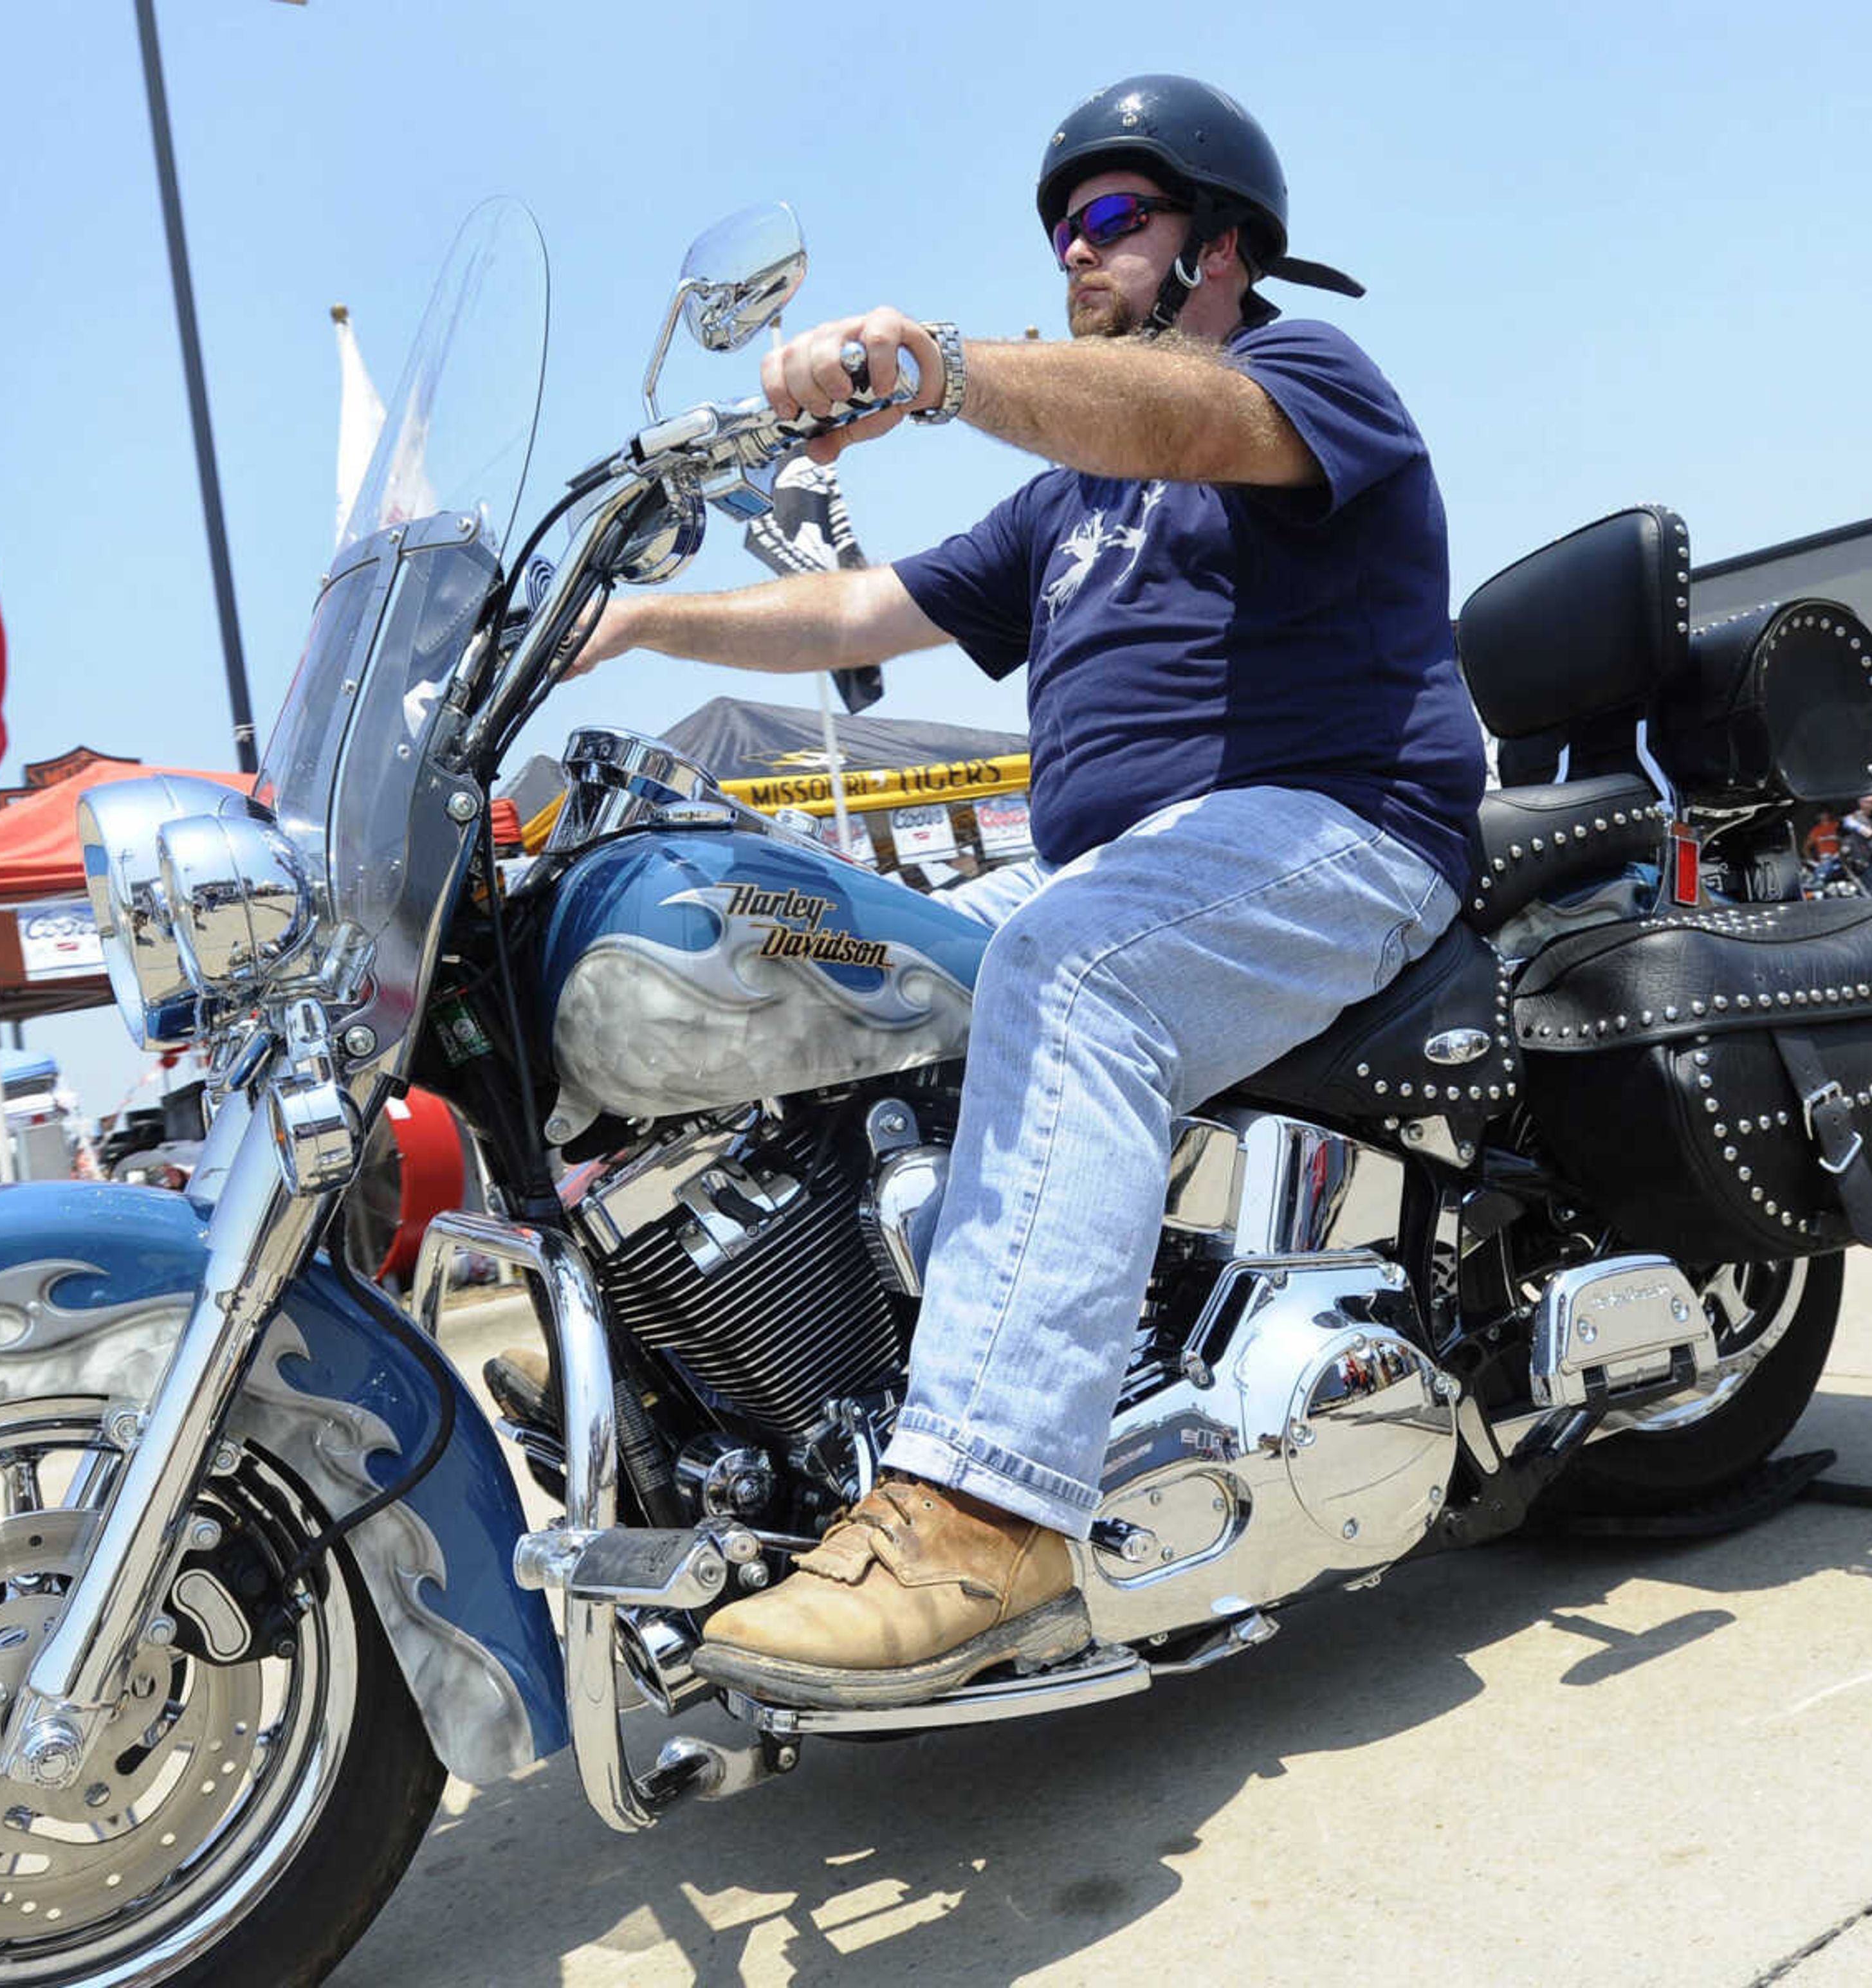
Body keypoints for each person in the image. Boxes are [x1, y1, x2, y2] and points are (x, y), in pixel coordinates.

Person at [554, 75, 1481, 1708]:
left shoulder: (1290, 375)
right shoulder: (1066, 504)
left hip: (1339, 825)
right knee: (832, 964)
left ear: (1219, 242)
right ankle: (806, 1434)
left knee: (1067, 966)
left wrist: (937, 368)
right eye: (1061, 230)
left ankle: (983, 1508)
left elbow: (1176, 416)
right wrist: (630, 627)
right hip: (1136, 871)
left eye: (1111, 221)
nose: (1077, 250)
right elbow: (856, 609)